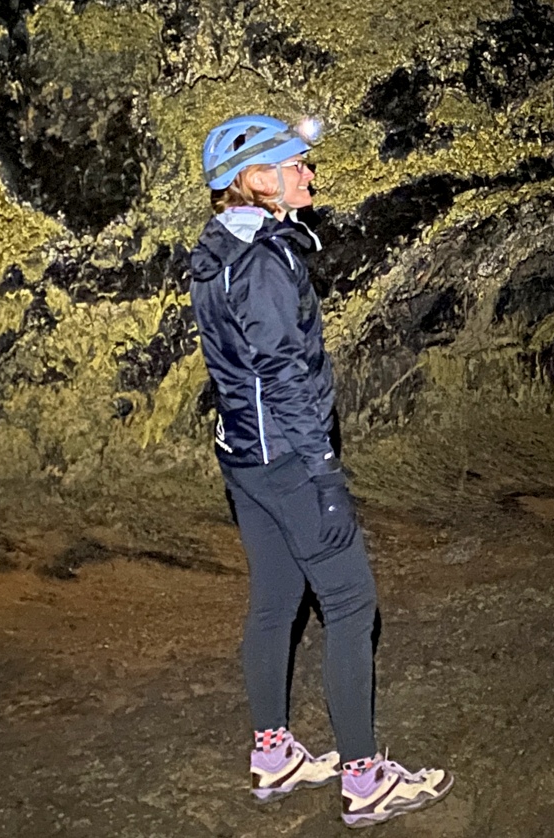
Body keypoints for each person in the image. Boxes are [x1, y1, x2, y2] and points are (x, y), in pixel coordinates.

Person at [188, 115, 453, 828]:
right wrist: (325, 472)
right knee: (349, 604)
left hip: (243, 457)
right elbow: (284, 373)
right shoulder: (267, 261)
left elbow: (232, 368)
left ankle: (273, 753)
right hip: (287, 463)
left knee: (276, 598)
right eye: (296, 164)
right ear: (258, 178)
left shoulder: (216, 248)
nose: (310, 176)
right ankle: (365, 778)